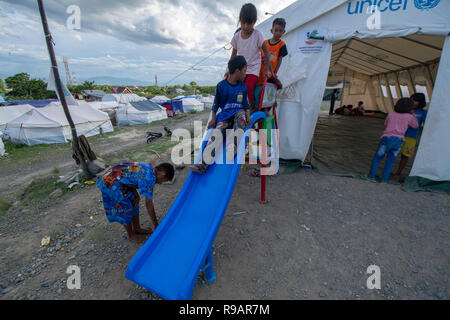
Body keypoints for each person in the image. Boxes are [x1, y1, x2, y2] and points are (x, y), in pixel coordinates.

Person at [191, 56, 251, 174]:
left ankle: (232, 149)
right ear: (237, 71)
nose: (246, 74)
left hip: (238, 114)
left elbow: (246, 104)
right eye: (244, 71)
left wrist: (248, 115)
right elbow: (215, 105)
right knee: (216, 134)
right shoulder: (221, 86)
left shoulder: (242, 86)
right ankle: (202, 165)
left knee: (241, 118)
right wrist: (213, 119)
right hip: (225, 116)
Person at [96, 162, 175, 243]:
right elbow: (148, 203)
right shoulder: (148, 178)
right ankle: (131, 235)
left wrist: (136, 196)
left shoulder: (149, 169)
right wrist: (156, 225)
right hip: (111, 182)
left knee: (134, 200)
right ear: (162, 174)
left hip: (121, 181)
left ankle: (137, 228)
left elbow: (130, 179)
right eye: (164, 180)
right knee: (125, 207)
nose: (161, 183)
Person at [365, 98, 418, 183]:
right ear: (410, 108)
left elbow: (386, 123)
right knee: (391, 160)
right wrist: (413, 115)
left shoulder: (391, 114)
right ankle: (384, 179)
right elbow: (415, 126)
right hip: (399, 140)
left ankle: (371, 177)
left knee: (378, 157)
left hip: (387, 138)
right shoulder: (409, 117)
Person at [230, 3, 273, 106]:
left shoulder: (257, 35)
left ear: (254, 22)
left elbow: (266, 52)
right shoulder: (237, 36)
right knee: (235, 86)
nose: (245, 26)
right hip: (241, 67)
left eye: (249, 23)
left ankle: (247, 107)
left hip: (253, 67)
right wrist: (230, 70)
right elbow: (233, 55)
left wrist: (267, 69)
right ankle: (236, 106)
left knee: (248, 86)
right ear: (240, 20)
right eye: (243, 22)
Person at [392, 93, 428, 179]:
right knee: (393, 152)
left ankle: (398, 173)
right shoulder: (406, 109)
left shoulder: (423, 112)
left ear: (420, 102)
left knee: (405, 156)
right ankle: (388, 170)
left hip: (411, 138)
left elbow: (427, 124)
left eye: (414, 100)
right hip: (399, 135)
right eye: (411, 100)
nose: (412, 102)